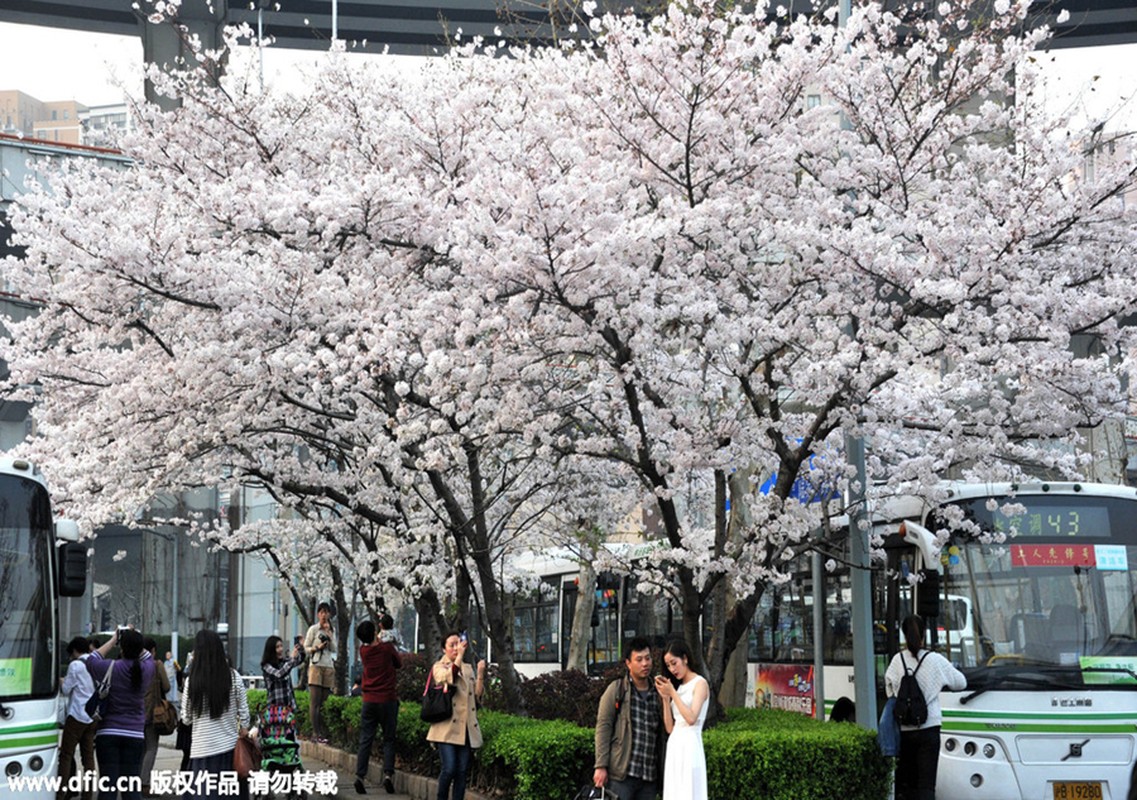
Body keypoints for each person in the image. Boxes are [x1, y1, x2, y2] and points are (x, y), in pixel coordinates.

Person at [885, 615, 967, 800]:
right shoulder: (935, 660)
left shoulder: (897, 661)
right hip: (929, 728)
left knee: (908, 783)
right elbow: (961, 682)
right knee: (926, 785)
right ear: (923, 634)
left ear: (905, 635)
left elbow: (889, 688)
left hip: (905, 729)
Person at [85, 628, 161, 800]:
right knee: (131, 789)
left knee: (108, 787)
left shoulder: (110, 667)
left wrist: (113, 639)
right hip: (135, 734)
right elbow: (148, 656)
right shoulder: (147, 670)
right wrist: (135, 639)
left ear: (122, 648)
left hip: (108, 733)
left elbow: (91, 659)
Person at [180, 629, 252, 800]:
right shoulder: (233, 677)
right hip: (229, 751)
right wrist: (243, 728)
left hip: (201, 752)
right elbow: (245, 713)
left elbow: (186, 718)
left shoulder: (192, 681)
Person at [593, 636, 664, 800]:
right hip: (622, 775)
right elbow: (603, 727)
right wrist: (601, 766)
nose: (645, 664)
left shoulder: (659, 692)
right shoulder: (617, 690)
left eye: (647, 658)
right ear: (628, 663)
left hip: (649, 777)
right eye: (639, 659)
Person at [426, 631, 486, 800]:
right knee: (449, 769)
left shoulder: (467, 668)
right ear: (444, 649)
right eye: (451, 645)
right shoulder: (439, 667)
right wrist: (459, 656)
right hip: (445, 729)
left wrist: (480, 673)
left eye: (458, 643)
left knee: (461, 772)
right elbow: (448, 678)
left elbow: (477, 697)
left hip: (465, 728)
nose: (456, 647)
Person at [654, 639, 708, 800]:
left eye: (674, 663)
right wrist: (665, 698)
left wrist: (672, 693)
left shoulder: (700, 684)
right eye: (668, 665)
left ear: (685, 658)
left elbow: (691, 717)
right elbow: (670, 728)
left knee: (689, 791)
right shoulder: (678, 688)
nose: (672, 669)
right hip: (675, 745)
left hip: (690, 744)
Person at [354, 615, 402, 795]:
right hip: (388, 700)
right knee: (389, 739)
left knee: (366, 739)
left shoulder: (363, 652)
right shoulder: (387, 649)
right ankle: (388, 775)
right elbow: (399, 663)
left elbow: (371, 645)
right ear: (375, 632)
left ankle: (360, 776)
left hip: (369, 701)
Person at [261, 635, 306, 776]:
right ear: (271, 650)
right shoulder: (266, 666)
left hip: (288, 710)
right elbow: (279, 674)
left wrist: (301, 648)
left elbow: (299, 660)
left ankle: (291, 769)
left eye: (281, 646)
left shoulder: (284, 662)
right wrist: (292, 659)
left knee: (290, 741)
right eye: (277, 647)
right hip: (274, 712)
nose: (280, 650)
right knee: (274, 741)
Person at [58, 636, 96, 800]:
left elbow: (66, 690)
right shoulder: (96, 663)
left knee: (66, 754)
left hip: (77, 715)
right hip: (92, 716)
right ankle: (87, 794)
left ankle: (61, 792)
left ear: (74, 650)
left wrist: (61, 681)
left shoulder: (75, 665)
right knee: (88, 758)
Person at [140, 637, 171, 796]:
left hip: (134, 713)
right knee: (151, 748)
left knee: (140, 749)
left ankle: (135, 782)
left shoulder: (132, 664)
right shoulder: (156, 664)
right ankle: (144, 784)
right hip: (153, 713)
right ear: (152, 650)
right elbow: (166, 686)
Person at [304, 601, 337, 744]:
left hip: (328, 666)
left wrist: (329, 634)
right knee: (315, 702)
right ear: (318, 614)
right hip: (316, 666)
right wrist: (316, 648)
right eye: (321, 612)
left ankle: (323, 732)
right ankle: (315, 733)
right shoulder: (313, 629)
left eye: (326, 612)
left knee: (324, 702)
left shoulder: (332, 630)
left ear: (329, 614)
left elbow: (334, 648)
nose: (324, 615)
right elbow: (306, 647)